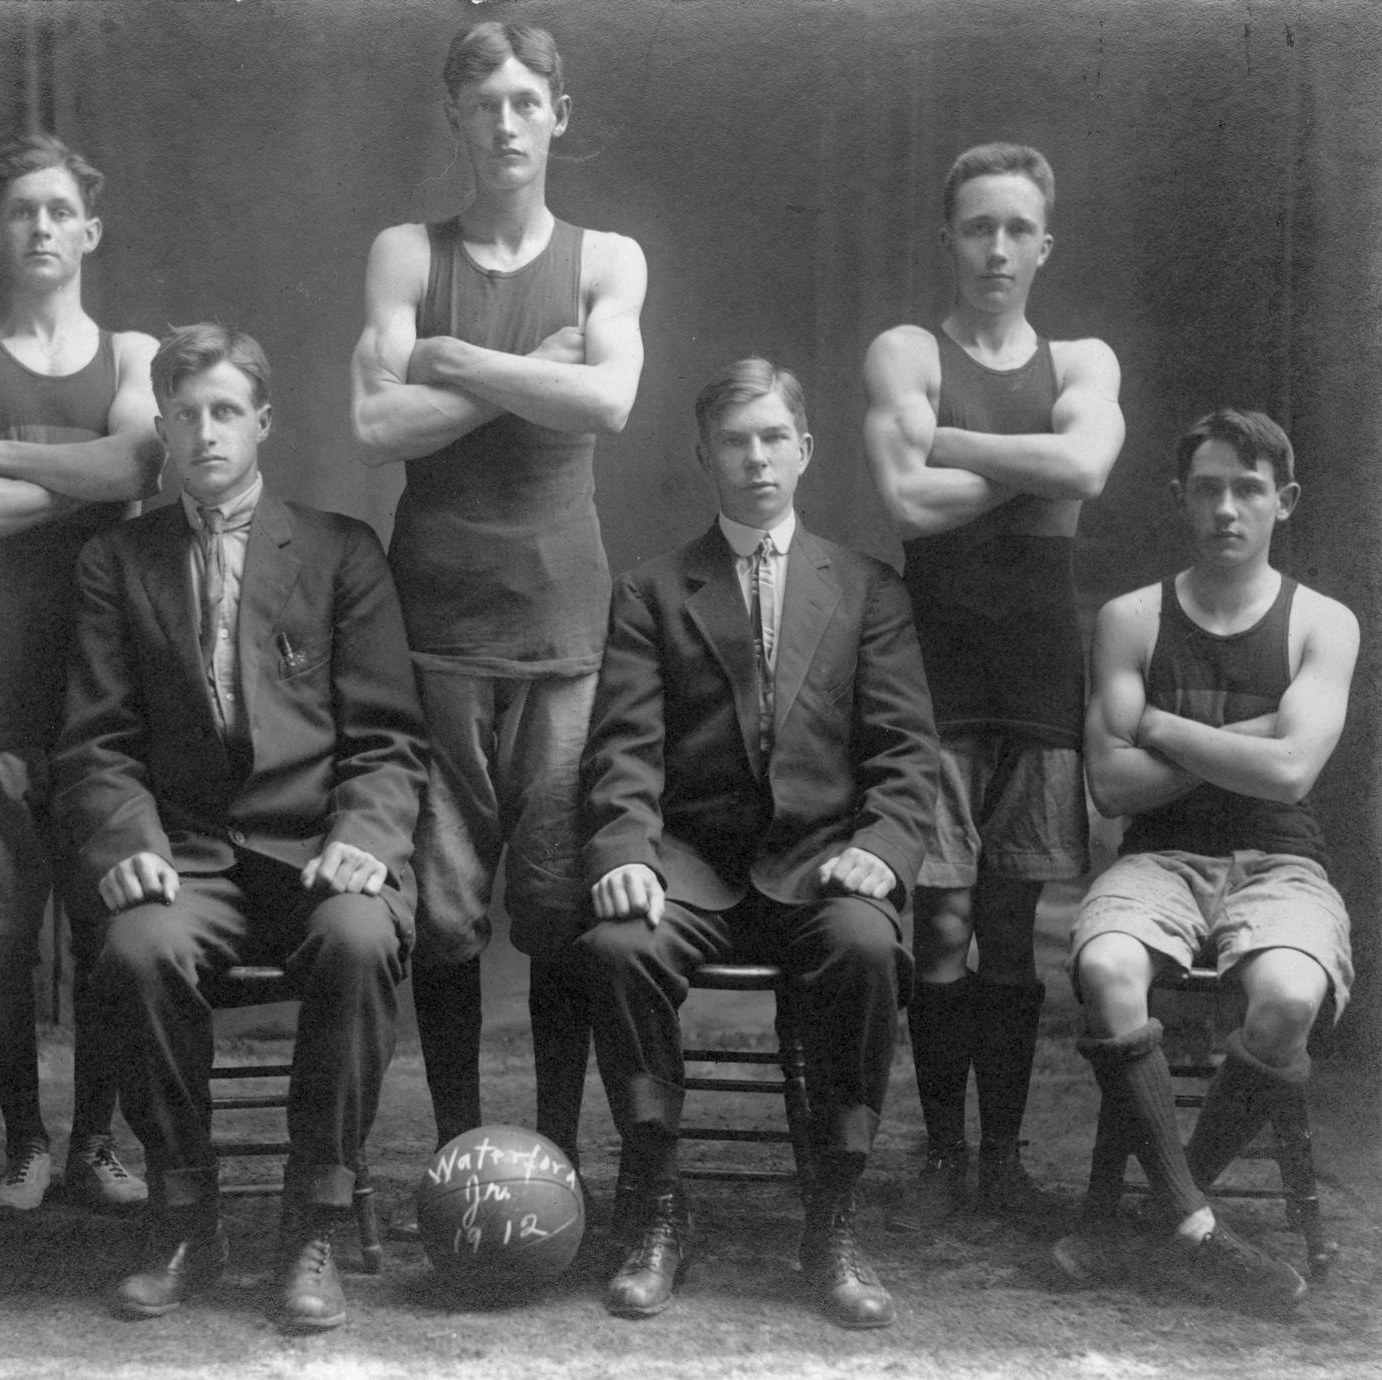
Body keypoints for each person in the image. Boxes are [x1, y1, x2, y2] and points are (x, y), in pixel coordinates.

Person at [53, 325, 427, 1330]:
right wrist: (129, 842)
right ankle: (183, 1219)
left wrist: (368, 835)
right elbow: (95, 742)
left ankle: (312, 1222)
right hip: (188, 857)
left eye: (225, 411)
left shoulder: (340, 549)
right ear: (162, 430)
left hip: (315, 847)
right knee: (135, 949)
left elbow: (389, 737)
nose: (206, 432)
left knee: (357, 935)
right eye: (185, 414)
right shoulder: (117, 561)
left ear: (262, 421)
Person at [576, 359, 938, 1327]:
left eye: (772, 436)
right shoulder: (651, 590)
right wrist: (623, 854)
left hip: (822, 863)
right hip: (692, 865)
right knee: (616, 949)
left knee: (865, 944)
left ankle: (834, 1215)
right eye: (734, 441)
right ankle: (656, 1200)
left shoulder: (866, 587)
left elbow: (907, 754)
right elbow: (623, 750)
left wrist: (884, 849)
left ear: (804, 450)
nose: (755, 458)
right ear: (704, 458)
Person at [348, 20, 647, 1193]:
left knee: (556, 901)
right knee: (449, 909)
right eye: (487, 106)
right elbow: (375, 429)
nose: (509, 124)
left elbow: (609, 402)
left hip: (566, 628)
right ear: (455, 120)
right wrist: (530, 377)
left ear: (558, 117)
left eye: (530, 102)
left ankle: (562, 1158)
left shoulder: (607, 255)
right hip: (430, 625)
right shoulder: (404, 253)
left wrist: (449, 364)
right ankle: (461, 1152)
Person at [862, 142, 1125, 1228]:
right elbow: (906, 506)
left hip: (1034, 680)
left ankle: (1001, 1157)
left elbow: (1085, 473)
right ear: (948, 239)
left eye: (1017, 229)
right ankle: (936, 1150)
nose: (997, 248)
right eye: (978, 227)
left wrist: (959, 440)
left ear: (1044, 245)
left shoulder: (1083, 360)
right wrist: (1033, 466)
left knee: (1014, 930)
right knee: (938, 925)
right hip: (929, 676)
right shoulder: (904, 348)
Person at [1055, 410, 1356, 1312]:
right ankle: (1192, 1223)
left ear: (1285, 502)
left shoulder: (1323, 623)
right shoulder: (1130, 618)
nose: (1228, 508)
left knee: (1291, 998)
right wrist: (1252, 738)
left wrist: (1162, 727)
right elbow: (1111, 787)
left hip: (1281, 864)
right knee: (1108, 966)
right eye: (1209, 488)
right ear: (1178, 499)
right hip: (1159, 863)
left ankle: (1157, 1215)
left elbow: (1294, 771)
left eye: (1249, 489)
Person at [0, 131, 161, 1211]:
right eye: (23, 212)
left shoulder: (136, 358)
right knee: (7, 935)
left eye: (60, 211)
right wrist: (98, 481)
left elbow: (138, 464)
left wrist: (7, 453)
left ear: (90, 230)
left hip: (112, 688)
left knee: (111, 931)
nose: (43, 228)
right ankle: (24, 1139)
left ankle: (97, 1143)